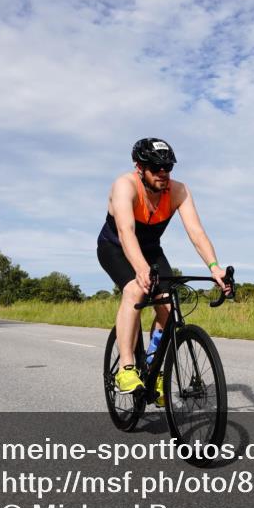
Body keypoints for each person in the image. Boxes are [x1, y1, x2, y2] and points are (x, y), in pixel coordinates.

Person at [97, 138, 230, 402]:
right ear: (139, 167)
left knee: (168, 306)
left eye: (167, 167)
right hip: (115, 247)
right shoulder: (125, 185)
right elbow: (126, 232)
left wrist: (215, 267)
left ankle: (155, 369)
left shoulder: (179, 191)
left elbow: (196, 232)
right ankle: (126, 368)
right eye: (156, 168)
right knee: (135, 290)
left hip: (151, 249)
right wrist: (141, 269)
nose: (163, 173)